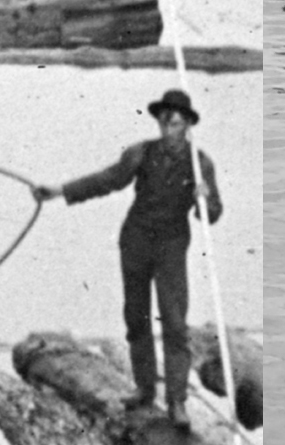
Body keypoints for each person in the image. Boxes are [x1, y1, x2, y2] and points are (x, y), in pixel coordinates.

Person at [55, 84, 228, 416]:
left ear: (187, 125)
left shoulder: (200, 163)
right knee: (137, 317)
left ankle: (176, 400)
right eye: (165, 122)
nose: (169, 128)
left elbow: (213, 214)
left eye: (176, 123)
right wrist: (61, 191)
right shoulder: (140, 153)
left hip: (172, 245)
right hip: (135, 240)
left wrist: (204, 199)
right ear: (159, 123)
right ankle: (145, 389)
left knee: (175, 324)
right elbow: (108, 180)